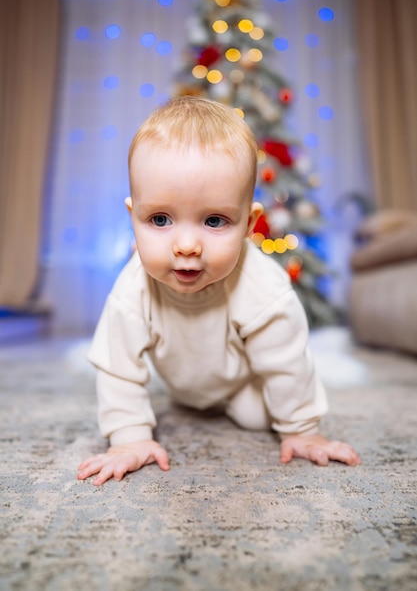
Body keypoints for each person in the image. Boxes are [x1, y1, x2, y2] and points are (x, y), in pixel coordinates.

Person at [77, 96, 360, 486]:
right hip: (183, 386)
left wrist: (302, 430)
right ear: (133, 218)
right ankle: (190, 399)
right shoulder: (134, 287)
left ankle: (259, 409)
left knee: (258, 416)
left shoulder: (261, 287)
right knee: (154, 403)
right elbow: (118, 369)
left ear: (248, 224)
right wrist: (129, 439)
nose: (187, 245)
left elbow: (285, 364)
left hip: (242, 381)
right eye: (160, 219)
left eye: (214, 220)